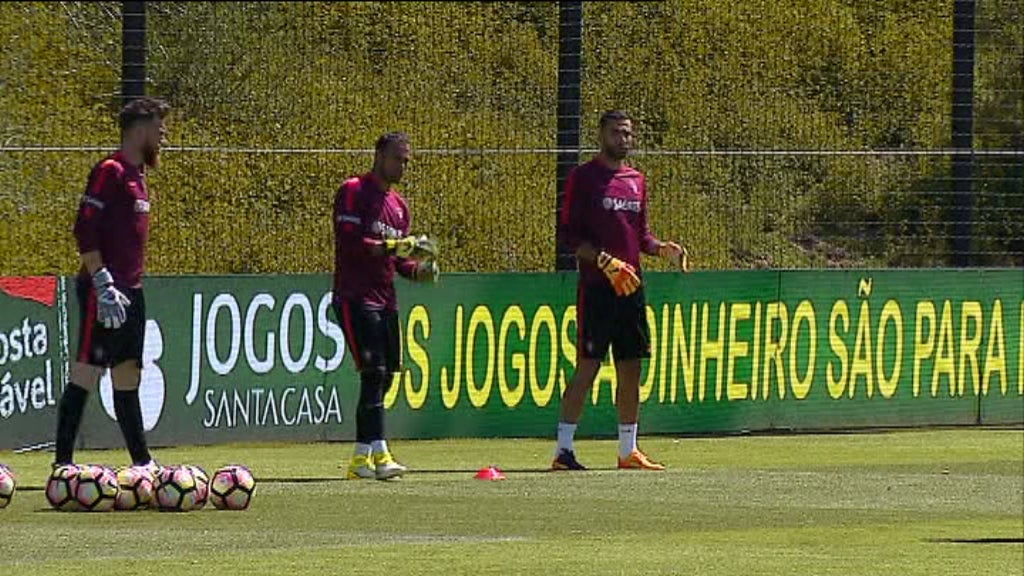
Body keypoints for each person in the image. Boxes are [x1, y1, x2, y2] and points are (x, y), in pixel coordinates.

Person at [552, 110, 686, 471]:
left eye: (627, 133)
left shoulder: (636, 180)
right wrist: (604, 261)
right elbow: (568, 235)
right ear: (601, 135)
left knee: (631, 369)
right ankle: (563, 451)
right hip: (598, 288)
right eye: (616, 133)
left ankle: (628, 450)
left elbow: (640, 236)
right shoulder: (584, 178)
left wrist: (661, 249)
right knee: (588, 367)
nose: (622, 139)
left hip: (631, 288)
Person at [57, 96, 170, 473]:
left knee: (128, 376)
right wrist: (102, 280)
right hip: (103, 290)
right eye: (158, 127)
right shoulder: (111, 171)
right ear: (139, 130)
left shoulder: (139, 177)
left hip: (132, 292)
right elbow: (84, 227)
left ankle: (143, 463)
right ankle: (62, 464)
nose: (163, 134)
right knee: (86, 372)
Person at [332, 131, 438, 480]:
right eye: (397, 158)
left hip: (386, 300)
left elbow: (399, 263)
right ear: (378, 155)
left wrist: (418, 271)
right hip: (354, 296)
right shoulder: (353, 191)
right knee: (373, 372)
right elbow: (351, 243)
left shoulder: (399, 207)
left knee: (387, 374)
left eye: (406, 161)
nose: (402, 166)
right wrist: (396, 246)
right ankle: (380, 454)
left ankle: (361, 458)